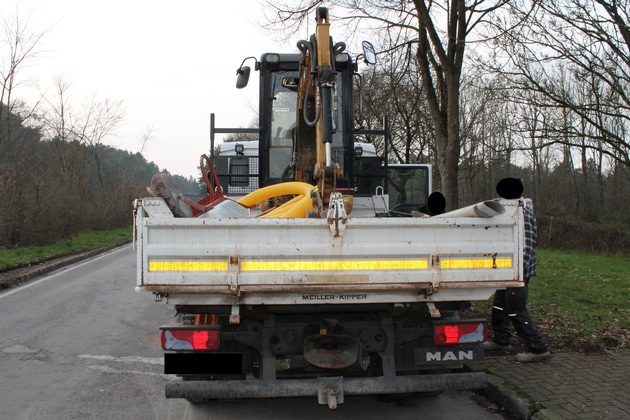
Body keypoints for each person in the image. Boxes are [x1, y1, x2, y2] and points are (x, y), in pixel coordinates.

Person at [482, 193, 551, 363]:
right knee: (499, 306)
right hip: (507, 271)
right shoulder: (510, 211)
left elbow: (526, 245)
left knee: (517, 310)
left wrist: (519, 274)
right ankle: (501, 340)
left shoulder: (522, 213)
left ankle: (538, 348)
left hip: (518, 273)